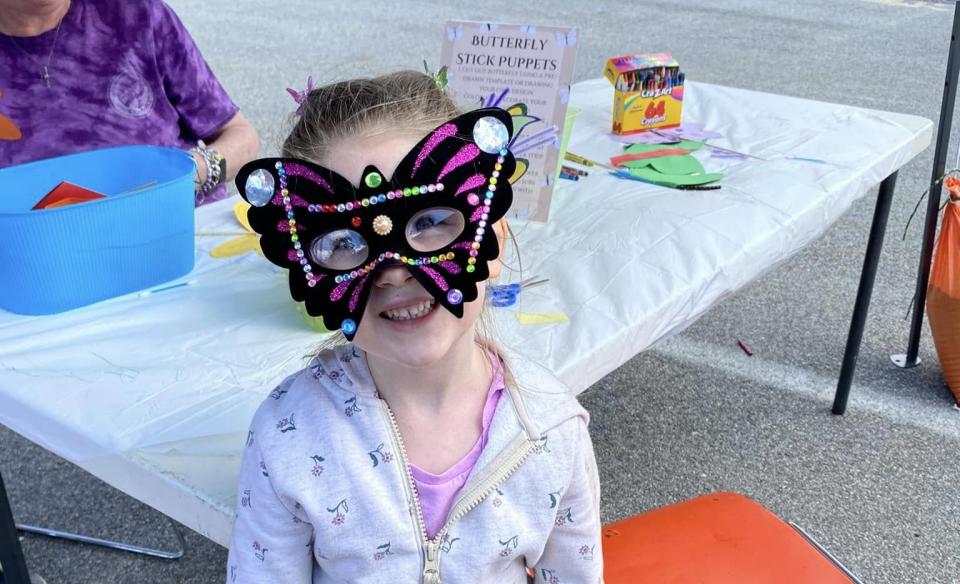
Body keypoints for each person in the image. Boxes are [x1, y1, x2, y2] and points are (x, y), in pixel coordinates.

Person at [226, 70, 603, 583]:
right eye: (342, 242)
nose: (394, 271)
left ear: (491, 244)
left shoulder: (552, 431)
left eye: (428, 222)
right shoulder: (288, 438)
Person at [0, 0, 259, 204]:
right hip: (32, 255)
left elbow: (240, 135)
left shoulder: (140, 17)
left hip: (175, 238)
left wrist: (189, 173)